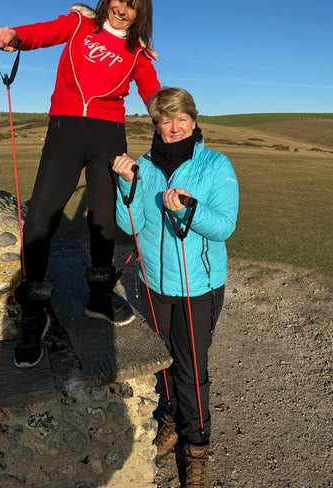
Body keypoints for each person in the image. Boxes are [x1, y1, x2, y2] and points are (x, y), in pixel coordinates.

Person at [0, 0, 160, 368]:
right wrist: (12, 35)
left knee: (102, 218)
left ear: (139, 14)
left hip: (109, 135)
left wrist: (173, 119)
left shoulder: (138, 54)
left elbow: (153, 94)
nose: (122, 8)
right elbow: (40, 34)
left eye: (131, 5)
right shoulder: (80, 23)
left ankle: (99, 298)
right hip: (65, 128)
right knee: (43, 216)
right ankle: (34, 309)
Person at [112, 87, 239, 488]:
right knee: (162, 361)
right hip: (153, 284)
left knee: (189, 371)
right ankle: (170, 418)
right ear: (155, 124)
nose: (174, 127)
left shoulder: (216, 165)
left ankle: (197, 448)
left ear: (194, 120)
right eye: (165, 120)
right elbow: (130, 226)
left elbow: (224, 226)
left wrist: (190, 210)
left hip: (198, 286)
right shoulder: (145, 166)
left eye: (181, 118)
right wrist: (127, 186)